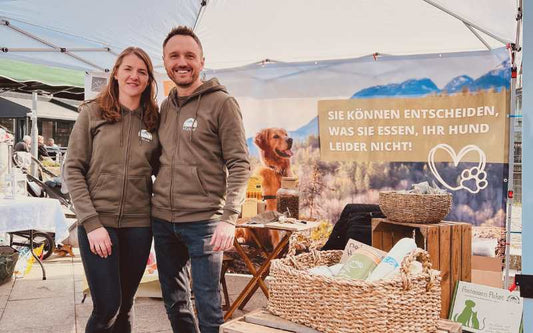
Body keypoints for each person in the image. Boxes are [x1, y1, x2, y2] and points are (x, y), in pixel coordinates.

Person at [152, 26, 250, 333]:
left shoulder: (222, 103)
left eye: (189, 55)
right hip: (164, 220)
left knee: (208, 302)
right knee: (175, 301)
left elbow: (240, 164)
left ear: (202, 61)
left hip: (205, 221)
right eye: (174, 56)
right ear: (165, 61)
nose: (182, 62)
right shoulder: (166, 107)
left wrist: (229, 218)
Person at [65, 47, 160, 333]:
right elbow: (72, 169)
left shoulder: (154, 120)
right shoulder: (92, 113)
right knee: (107, 306)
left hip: (139, 226)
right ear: (116, 73)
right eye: (128, 69)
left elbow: (163, 170)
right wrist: (91, 223)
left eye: (142, 72)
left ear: (148, 80)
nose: (135, 76)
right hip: (98, 223)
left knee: (126, 305)